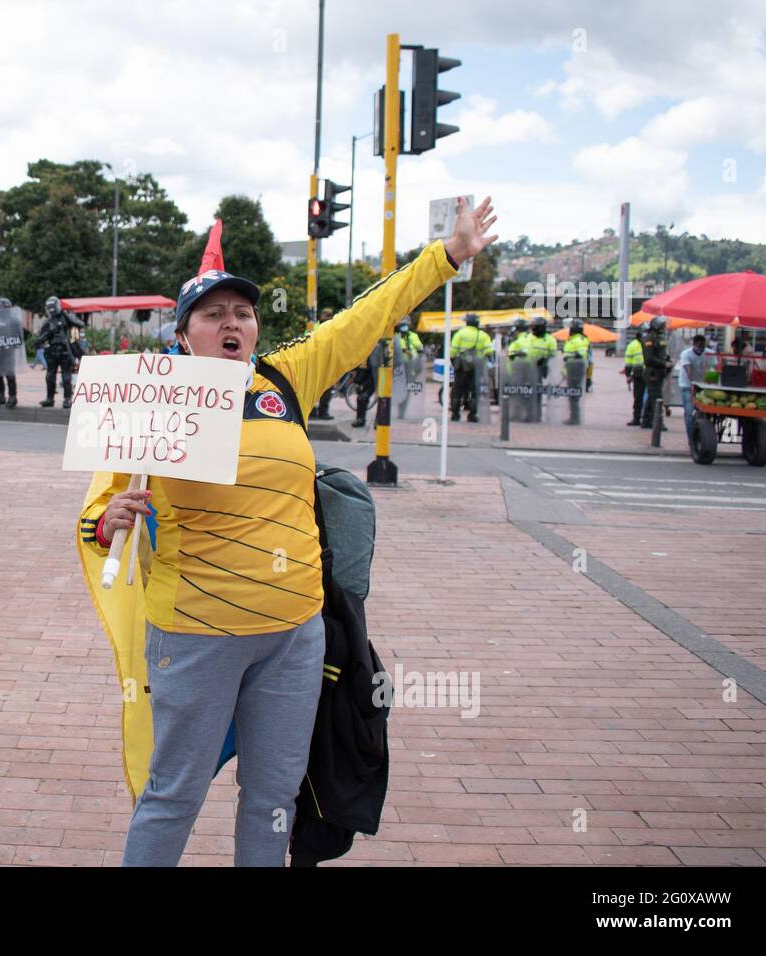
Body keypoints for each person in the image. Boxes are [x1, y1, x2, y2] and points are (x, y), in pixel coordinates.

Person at [80, 196, 497, 867]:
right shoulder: (156, 398)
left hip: (295, 634)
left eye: (241, 312)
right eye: (212, 314)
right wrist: (111, 523)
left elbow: (363, 320)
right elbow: (97, 515)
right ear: (184, 334)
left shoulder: (283, 379)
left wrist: (445, 257)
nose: (231, 322)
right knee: (174, 793)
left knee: (273, 794)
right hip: (194, 634)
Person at [35, 295, 83, 408]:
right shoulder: (48, 322)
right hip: (52, 352)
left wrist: (66, 315)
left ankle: (67, 399)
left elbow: (80, 324)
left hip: (65, 351)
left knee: (66, 377)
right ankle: (50, 399)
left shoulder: (66, 317)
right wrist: (45, 338)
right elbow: (40, 338)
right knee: (50, 376)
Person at [449, 313, 493, 422]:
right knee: (474, 392)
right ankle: (472, 416)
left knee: (457, 391)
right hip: (476, 368)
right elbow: (489, 352)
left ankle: (455, 415)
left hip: (461, 368)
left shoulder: (460, 334)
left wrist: (455, 364)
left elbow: (453, 352)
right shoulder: (483, 335)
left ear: (467, 322)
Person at [640, 316, 672, 430]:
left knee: (652, 396)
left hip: (659, 372)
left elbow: (662, 354)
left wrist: (668, 360)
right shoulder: (648, 338)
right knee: (656, 397)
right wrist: (664, 364)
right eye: (662, 325)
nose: (664, 327)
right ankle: (658, 422)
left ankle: (646, 420)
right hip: (652, 372)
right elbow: (649, 359)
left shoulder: (660, 337)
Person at [678, 333, 709, 444]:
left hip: (703, 387)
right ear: (694, 344)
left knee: (705, 412)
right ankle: (691, 438)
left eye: (703, 345)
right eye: (699, 345)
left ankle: (701, 435)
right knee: (689, 412)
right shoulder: (686, 354)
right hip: (687, 385)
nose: (701, 348)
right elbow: (688, 371)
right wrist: (694, 384)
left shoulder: (708, 353)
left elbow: (712, 369)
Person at [525, 316, 557, 422]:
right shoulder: (529, 337)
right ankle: (528, 414)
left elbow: (553, 356)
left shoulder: (550, 339)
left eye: (535, 327)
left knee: (537, 392)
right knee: (526, 391)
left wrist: (544, 359)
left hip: (540, 368)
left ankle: (537, 415)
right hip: (527, 367)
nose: (533, 329)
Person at [561, 318, 590, 426]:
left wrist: (570, 357)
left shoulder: (579, 340)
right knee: (571, 394)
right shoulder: (572, 339)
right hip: (571, 369)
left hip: (575, 369)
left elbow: (581, 355)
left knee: (573, 394)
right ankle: (573, 416)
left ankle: (575, 418)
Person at [309, 308, 336, 419]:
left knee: (315, 389)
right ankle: (322, 412)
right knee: (325, 389)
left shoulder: (314, 327)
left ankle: (314, 412)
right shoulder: (331, 329)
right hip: (322, 363)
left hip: (317, 363)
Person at [623, 331, 645, 426]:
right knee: (638, 397)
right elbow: (628, 362)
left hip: (649, 374)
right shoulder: (632, 345)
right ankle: (636, 418)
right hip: (638, 375)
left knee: (646, 397)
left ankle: (646, 418)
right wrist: (628, 375)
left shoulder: (649, 342)